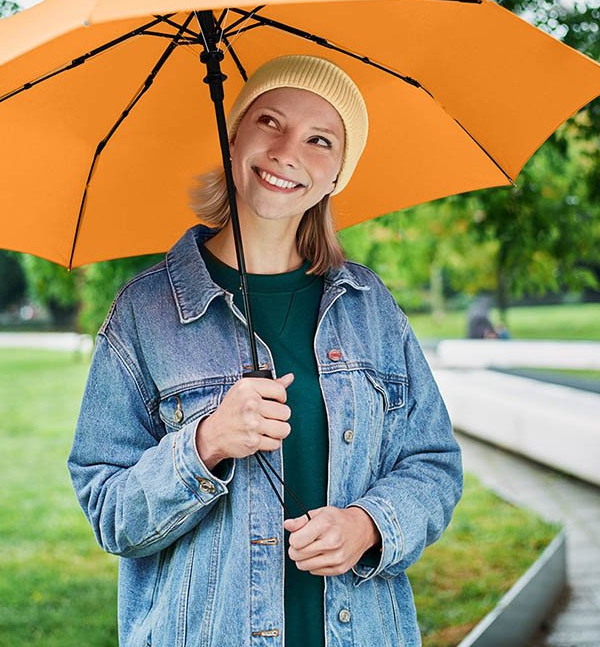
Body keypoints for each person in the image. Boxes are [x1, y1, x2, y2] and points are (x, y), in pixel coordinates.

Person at [67, 54, 463, 647]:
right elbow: (109, 511)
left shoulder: (369, 307)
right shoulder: (145, 314)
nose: (286, 152)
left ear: (336, 177)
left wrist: (369, 525)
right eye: (269, 121)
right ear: (233, 139)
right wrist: (205, 444)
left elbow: (433, 463)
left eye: (320, 140)